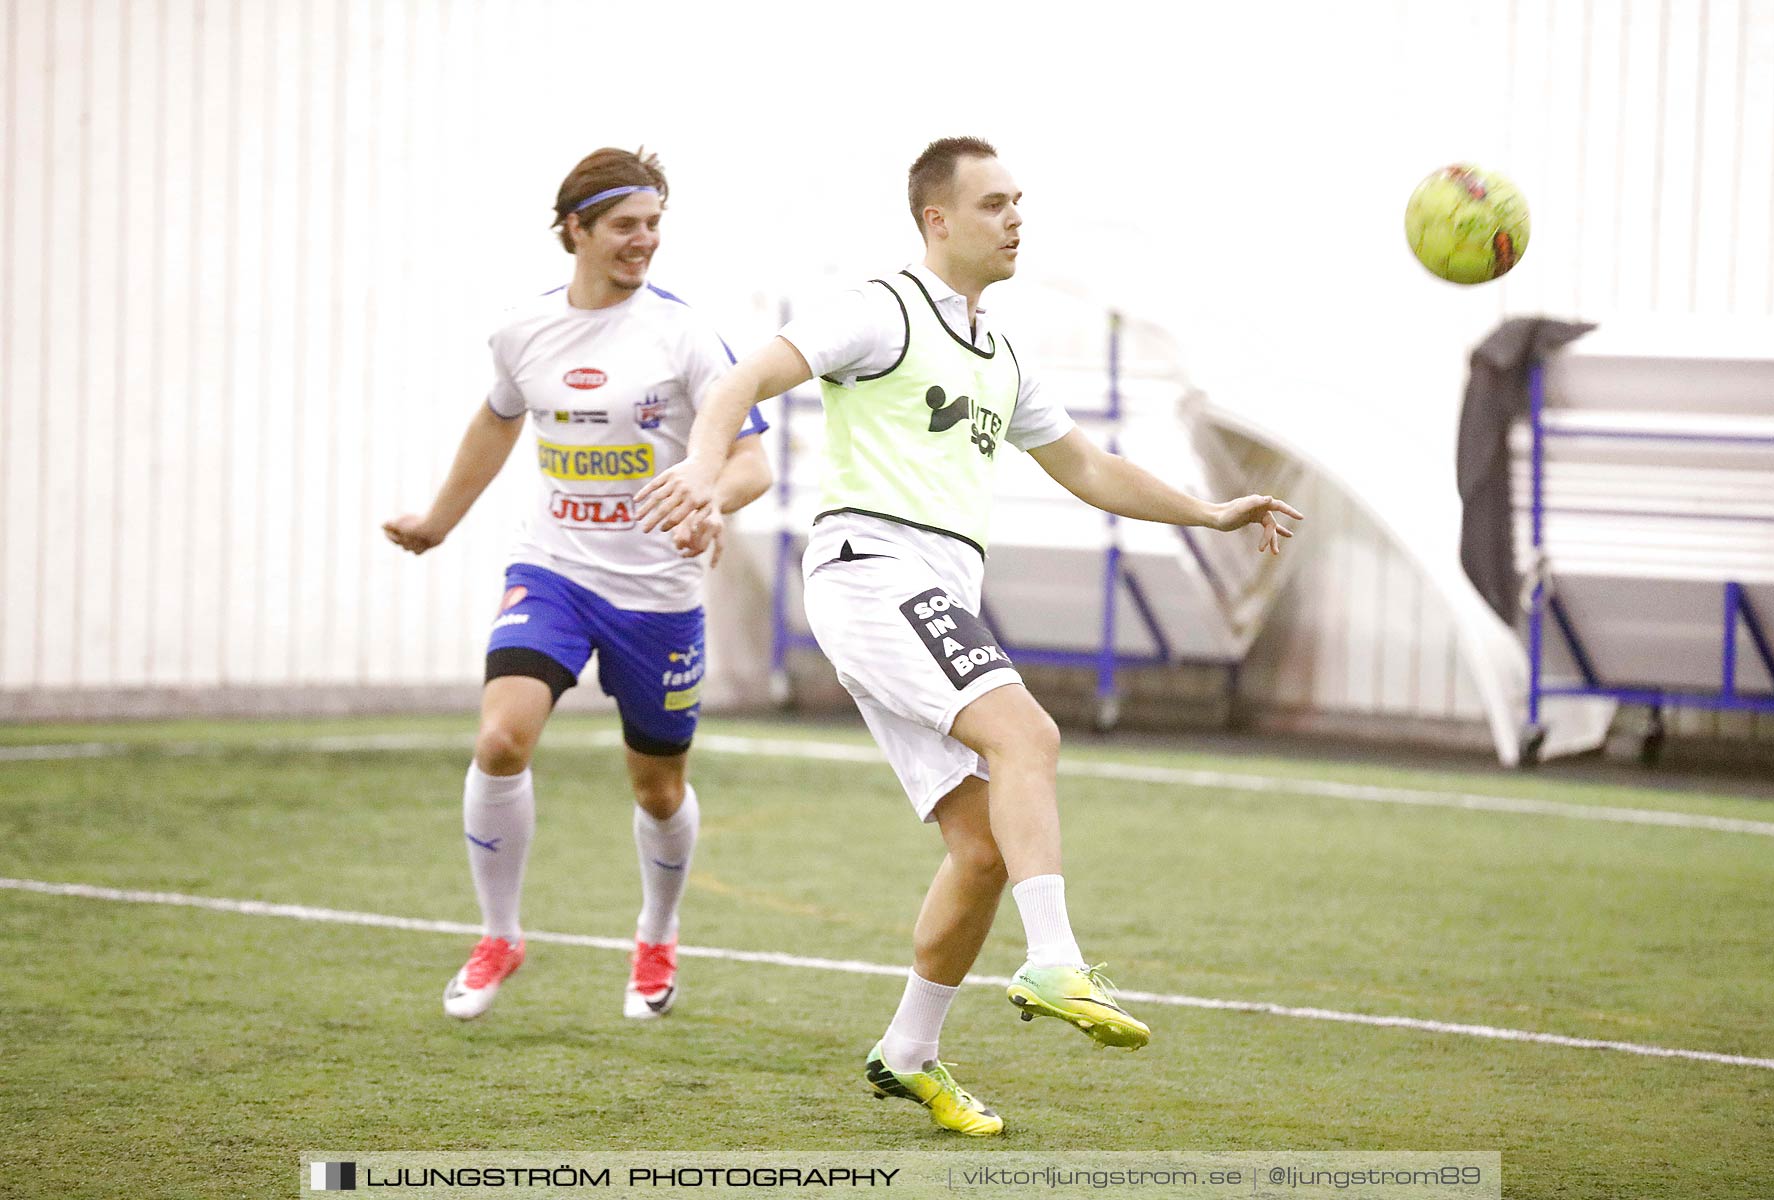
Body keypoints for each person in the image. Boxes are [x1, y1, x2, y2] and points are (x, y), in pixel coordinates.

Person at [636, 137, 1301, 1136]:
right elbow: (738, 384)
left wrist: (1209, 513)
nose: (1015, 218)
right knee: (1028, 736)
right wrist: (698, 466)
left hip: (928, 591)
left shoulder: (1002, 352)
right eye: (993, 203)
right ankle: (1055, 962)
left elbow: (1086, 465)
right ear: (936, 220)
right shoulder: (879, 308)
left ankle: (909, 1052)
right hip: (873, 571)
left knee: (984, 846)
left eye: (1020, 201)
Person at [384, 147, 771, 1023]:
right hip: (552, 571)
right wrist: (438, 520)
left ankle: (658, 935)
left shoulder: (685, 336)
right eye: (626, 226)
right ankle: (499, 934)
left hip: (658, 595)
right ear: (576, 230)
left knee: (658, 790)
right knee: (500, 742)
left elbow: (753, 463)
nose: (645, 242)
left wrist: (709, 499)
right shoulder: (524, 332)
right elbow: (497, 418)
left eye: (654, 226)